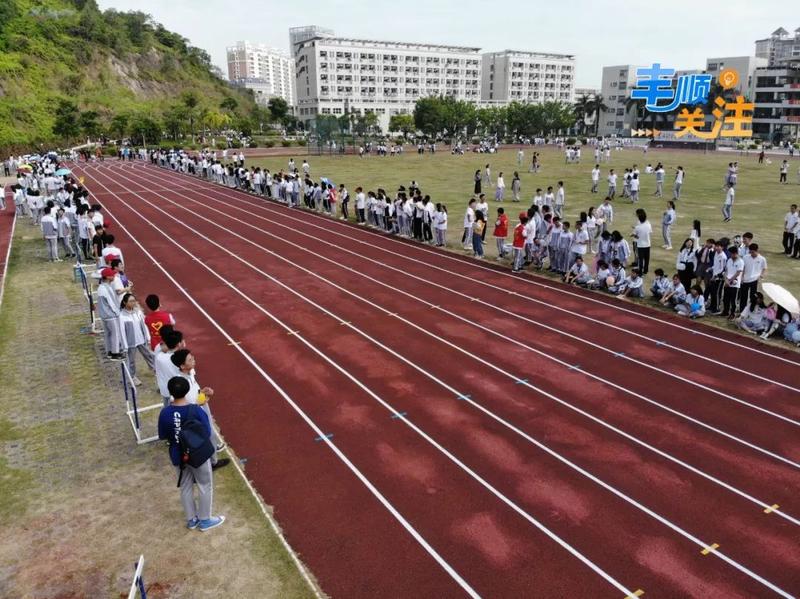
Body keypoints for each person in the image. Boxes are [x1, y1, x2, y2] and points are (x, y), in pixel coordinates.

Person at [157, 377, 226, 532]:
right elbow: (207, 432)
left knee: (186, 486)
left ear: (170, 392)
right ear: (188, 390)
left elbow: (162, 435)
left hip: (177, 455)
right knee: (205, 485)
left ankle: (191, 520)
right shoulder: (196, 410)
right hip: (197, 455)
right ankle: (205, 520)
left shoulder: (164, 413)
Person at [120, 293, 154, 386]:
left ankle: (154, 368)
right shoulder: (122, 316)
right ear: (124, 302)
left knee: (148, 355)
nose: (133, 303)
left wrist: (148, 337)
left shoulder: (138, 312)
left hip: (141, 339)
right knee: (131, 360)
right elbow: (122, 332)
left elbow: (144, 325)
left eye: (134, 301)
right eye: (131, 301)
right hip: (131, 342)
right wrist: (125, 345)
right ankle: (132, 377)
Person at [97, 267, 124, 361]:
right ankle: (115, 353)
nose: (114, 275)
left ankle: (109, 351)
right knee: (115, 334)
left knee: (108, 334)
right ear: (107, 277)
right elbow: (111, 303)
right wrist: (117, 313)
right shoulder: (106, 288)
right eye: (112, 275)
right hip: (111, 316)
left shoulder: (101, 287)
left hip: (104, 315)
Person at [739, 243, 767, 314]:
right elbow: (743, 267)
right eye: (750, 252)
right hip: (745, 279)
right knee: (743, 297)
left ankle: (750, 311)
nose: (751, 253)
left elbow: (764, 268)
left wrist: (761, 275)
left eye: (753, 252)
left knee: (753, 297)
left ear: (757, 250)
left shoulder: (762, 259)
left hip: (755, 280)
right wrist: (741, 277)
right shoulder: (745, 257)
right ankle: (742, 311)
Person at [720, 246, 744, 319]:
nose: (731, 255)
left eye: (732, 254)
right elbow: (726, 271)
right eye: (730, 254)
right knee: (725, 299)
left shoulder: (740, 262)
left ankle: (732, 314)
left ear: (736, 253)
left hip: (735, 284)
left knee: (733, 300)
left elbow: (738, 273)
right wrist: (726, 280)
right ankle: (725, 311)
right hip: (727, 282)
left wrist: (729, 281)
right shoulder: (729, 260)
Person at [632, 209, 652, 275]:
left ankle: (640, 271)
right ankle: (646, 270)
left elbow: (636, 236)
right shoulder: (648, 225)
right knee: (647, 258)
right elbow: (649, 233)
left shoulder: (637, 227)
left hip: (640, 245)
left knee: (641, 259)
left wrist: (633, 235)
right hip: (647, 244)